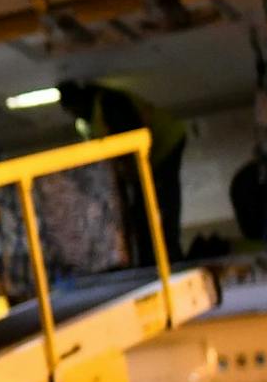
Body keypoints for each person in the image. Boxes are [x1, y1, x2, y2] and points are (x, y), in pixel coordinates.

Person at [59, 80, 188, 263]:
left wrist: (128, 176)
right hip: (139, 163)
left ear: (80, 99)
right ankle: (148, 258)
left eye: (73, 107)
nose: (73, 113)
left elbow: (132, 141)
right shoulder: (84, 124)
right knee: (140, 210)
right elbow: (104, 160)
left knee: (161, 201)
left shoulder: (110, 102)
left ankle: (170, 255)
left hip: (164, 145)